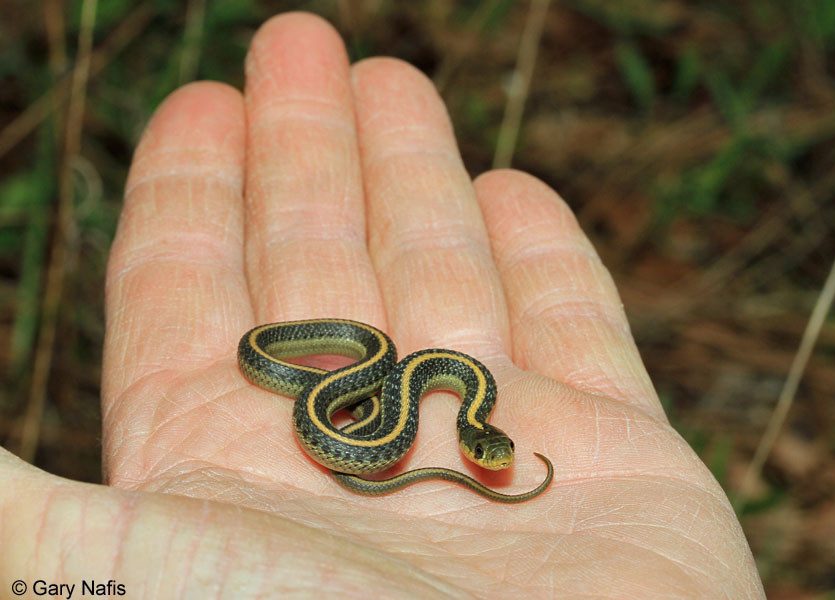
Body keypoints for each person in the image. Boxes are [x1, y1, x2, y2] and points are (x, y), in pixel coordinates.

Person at [1, 13, 764, 598]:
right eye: (485, 456)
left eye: (484, 456)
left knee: (374, 394)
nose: (486, 460)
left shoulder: (470, 395)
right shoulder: (407, 390)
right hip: (341, 381)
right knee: (347, 375)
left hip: (375, 398)